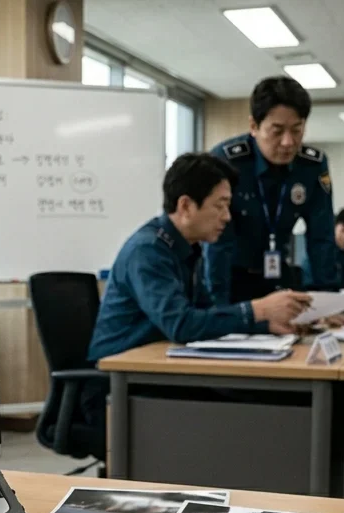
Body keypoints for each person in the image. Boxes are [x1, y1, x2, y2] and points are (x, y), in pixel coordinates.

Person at [82, 152, 312, 427]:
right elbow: (181, 325)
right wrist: (258, 309)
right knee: (256, 411)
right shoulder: (148, 251)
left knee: (270, 398)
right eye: (220, 205)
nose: (227, 217)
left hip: (159, 373)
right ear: (186, 205)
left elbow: (205, 315)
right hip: (118, 385)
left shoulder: (187, 249)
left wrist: (266, 325)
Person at [206, 76, 342, 304]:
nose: (288, 142)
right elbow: (217, 243)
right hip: (229, 278)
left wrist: (327, 302)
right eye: (277, 131)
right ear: (254, 126)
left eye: (297, 130)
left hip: (279, 277)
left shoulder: (312, 166)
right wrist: (217, 308)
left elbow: (322, 237)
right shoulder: (226, 161)